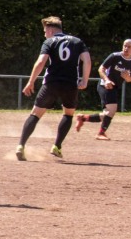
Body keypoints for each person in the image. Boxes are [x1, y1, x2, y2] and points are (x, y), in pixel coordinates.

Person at [16, 16, 91, 161]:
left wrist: (31, 82)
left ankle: (20, 146)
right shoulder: (77, 41)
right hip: (70, 84)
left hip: (51, 83)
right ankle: (57, 146)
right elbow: (87, 60)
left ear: (50, 30)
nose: (44, 34)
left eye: (45, 31)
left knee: (35, 115)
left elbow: (41, 61)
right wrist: (85, 80)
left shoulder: (49, 41)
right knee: (68, 114)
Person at [76, 39, 131, 140]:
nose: (126, 48)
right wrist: (106, 80)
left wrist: (128, 78)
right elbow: (101, 69)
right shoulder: (115, 56)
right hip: (105, 85)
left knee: (106, 114)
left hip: (114, 87)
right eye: (125, 46)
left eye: (129, 47)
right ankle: (100, 133)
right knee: (112, 110)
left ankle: (83, 118)